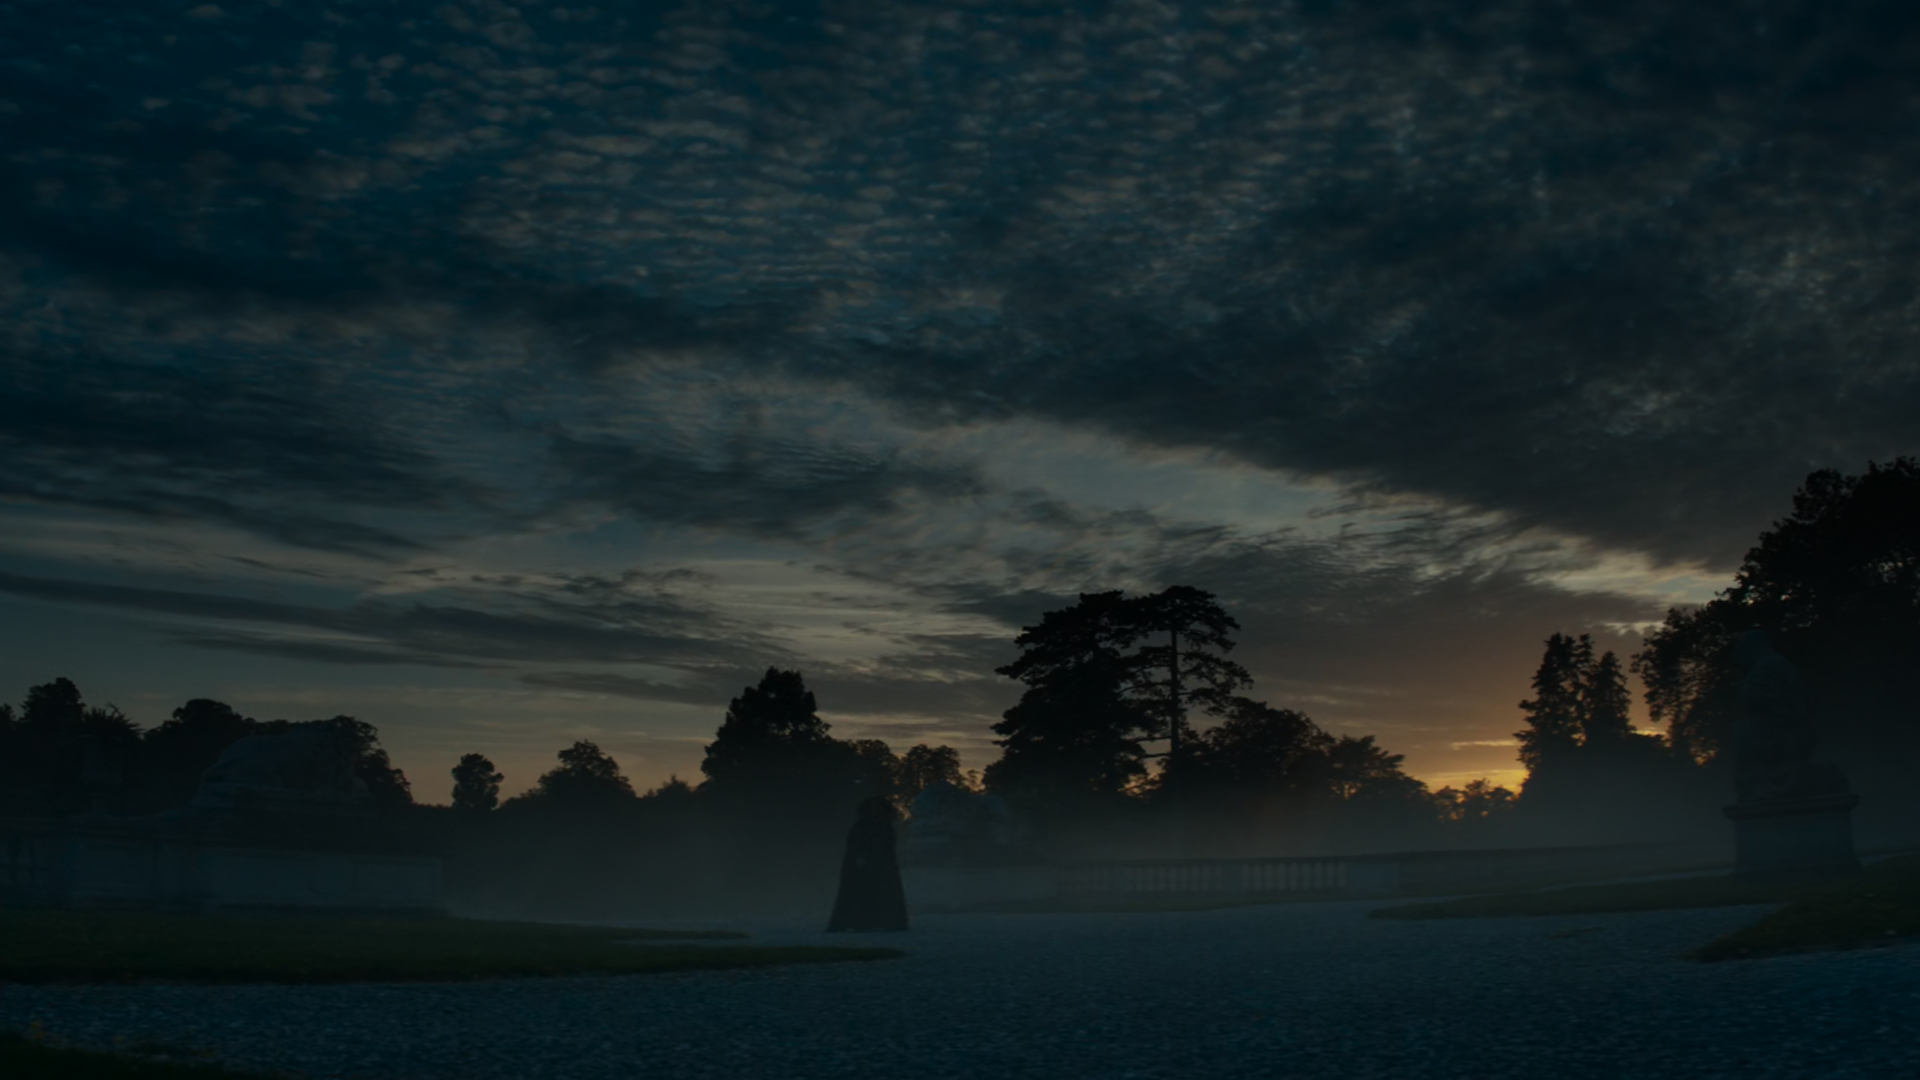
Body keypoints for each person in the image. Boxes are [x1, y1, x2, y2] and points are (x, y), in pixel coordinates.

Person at [825, 795, 909, 932]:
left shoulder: (885, 826)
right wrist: (860, 858)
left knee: (883, 894)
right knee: (860, 894)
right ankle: (861, 921)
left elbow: (888, 848)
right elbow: (854, 846)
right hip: (861, 868)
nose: (876, 812)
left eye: (878, 809)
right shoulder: (862, 826)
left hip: (881, 868)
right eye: (873, 809)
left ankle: (884, 921)